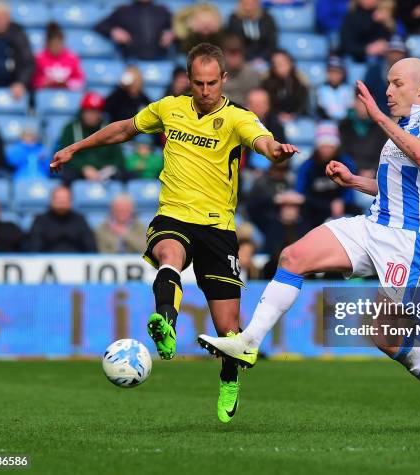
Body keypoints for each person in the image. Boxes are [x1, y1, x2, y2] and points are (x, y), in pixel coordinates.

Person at [198, 58, 420, 436]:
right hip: (373, 224)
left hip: (407, 240)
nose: (388, 92)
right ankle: (249, 342)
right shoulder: (402, 126)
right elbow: (397, 184)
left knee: (385, 336)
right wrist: (354, 180)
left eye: (396, 84)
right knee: (293, 256)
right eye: (387, 85)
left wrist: (376, 116)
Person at [50, 43, 299, 424]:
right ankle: (166, 320)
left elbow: (261, 141)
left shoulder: (237, 118)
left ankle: (228, 380)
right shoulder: (169, 108)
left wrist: (276, 152)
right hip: (174, 214)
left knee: (229, 329)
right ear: (188, 80)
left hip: (217, 226)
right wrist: (75, 147)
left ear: (224, 80)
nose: (204, 90)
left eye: (212, 83)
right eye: (198, 83)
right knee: (169, 256)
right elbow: (124, 129)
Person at [295, 122, 358, 228]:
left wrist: (342, 201)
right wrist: (327, 205)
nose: (326, 150)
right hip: (315, 209)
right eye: (323, 146)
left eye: (330, 146)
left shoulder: (346, 163)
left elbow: (352, 188)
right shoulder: (307, 166)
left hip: (342, 207)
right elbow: (301, 193)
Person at [57, 92, 126, 183]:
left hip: (105, 172)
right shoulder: (70, 128)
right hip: (78, 171)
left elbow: (118, 158)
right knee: (67, 175)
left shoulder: (109, 129)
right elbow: (64, 154)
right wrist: (83, 167)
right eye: (88, 111)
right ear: (82, 112)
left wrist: (109, 167)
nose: (91, 115)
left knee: (124, 174)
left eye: (95, 111)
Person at [95, 0, 173, 60]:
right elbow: (100, 26)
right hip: (132, 61)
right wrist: (113, 31)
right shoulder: (123, 11)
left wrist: (173, 34)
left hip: (159, 59)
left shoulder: (162, 12)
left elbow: (179, 28)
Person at [28, 186, 97, 253]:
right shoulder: (40, 220)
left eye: (65, 198)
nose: (61, 201)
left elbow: (91, 248)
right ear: (51, 200)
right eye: (58, 198)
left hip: (75, 262)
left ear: (71, 201)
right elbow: (34, 249)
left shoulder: (80, 220)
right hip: (47, 262)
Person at [339, 96, 388, 178]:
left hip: (375, 173)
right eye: (360, 103)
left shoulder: (380, 126)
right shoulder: (344, 125)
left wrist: (374, 170)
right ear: (354, 104)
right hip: (350, 172)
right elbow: (343, 152)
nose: (363, 107)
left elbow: (383, 152)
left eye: (366, 103)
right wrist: (357, 170)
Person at [32, 22, 84, 91]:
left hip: (68, 96)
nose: (56, 48)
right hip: (45, 95)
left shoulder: (72, 58)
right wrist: (44, 83)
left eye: (59, 44)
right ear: (47, 44)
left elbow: (80, 81)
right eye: (54, 45)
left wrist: (67, 84)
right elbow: (33, 82)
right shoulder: (39, 58)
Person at [363, 36, 408, 115]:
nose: (395, 56)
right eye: (393, 52)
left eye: (399, 53)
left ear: (404, 55)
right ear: (387, 53)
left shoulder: (411, 72)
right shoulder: (374, 70)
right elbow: (367, 93)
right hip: (378, 115)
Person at [260, 50, 309, 121]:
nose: (279, 66)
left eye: (282, 62)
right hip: (272, 119)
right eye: (275, 63)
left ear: (290, 63)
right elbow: (266, 105)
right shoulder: (267, 83)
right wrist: (277, 115)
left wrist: (293, 115)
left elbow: (303, 104)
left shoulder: (300, 81)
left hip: (296, 118)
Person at [221, 35, 261, 105]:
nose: (233, 58)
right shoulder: (217, 72)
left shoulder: (252, 73)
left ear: (242, 54)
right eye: (230, 53)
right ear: (224, 54)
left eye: (236, 53)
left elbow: (252, 100)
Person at [316, 56, 354, 121]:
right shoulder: (321, 90)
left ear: (342, 74)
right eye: (332, 72)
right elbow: (321, 110)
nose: (334, 75)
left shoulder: (348, 90)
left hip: (345, 123)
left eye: (338, 72)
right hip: (326, 121)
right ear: (327, 73)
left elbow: (350, 109)